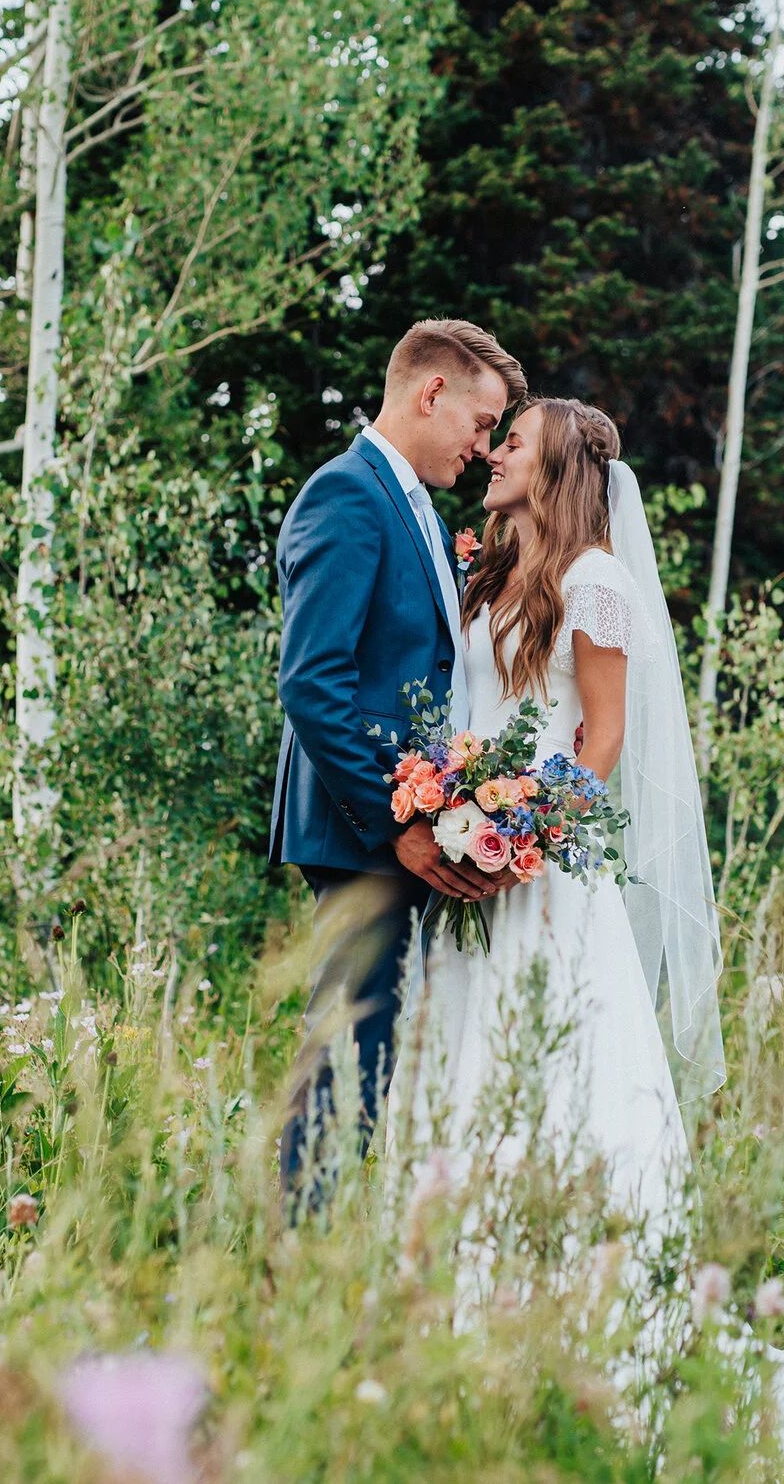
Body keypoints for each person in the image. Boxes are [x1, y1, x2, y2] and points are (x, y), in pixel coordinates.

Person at [407, 398, 727, 1243]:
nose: (494, 453)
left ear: (554, 467)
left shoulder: (596, 581)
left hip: (544, 871)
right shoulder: (489, 575)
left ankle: (575, 1259)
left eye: (513, 442)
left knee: (555, 1063)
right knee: (467, 1059)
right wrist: (458, 819)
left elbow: (605, 737)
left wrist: (525, 837)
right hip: (468, 851)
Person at [270, 318, 529, 1211]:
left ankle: (329, 1232)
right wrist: (399, 823)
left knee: (375, 1041)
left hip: (404, 823)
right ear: (431, 392)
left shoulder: (412, 504)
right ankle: (298, 1244)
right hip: (361, 829)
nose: (484, 446)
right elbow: (313, 684)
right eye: (483, 422)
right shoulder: (347, 495)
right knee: (349, 1043)